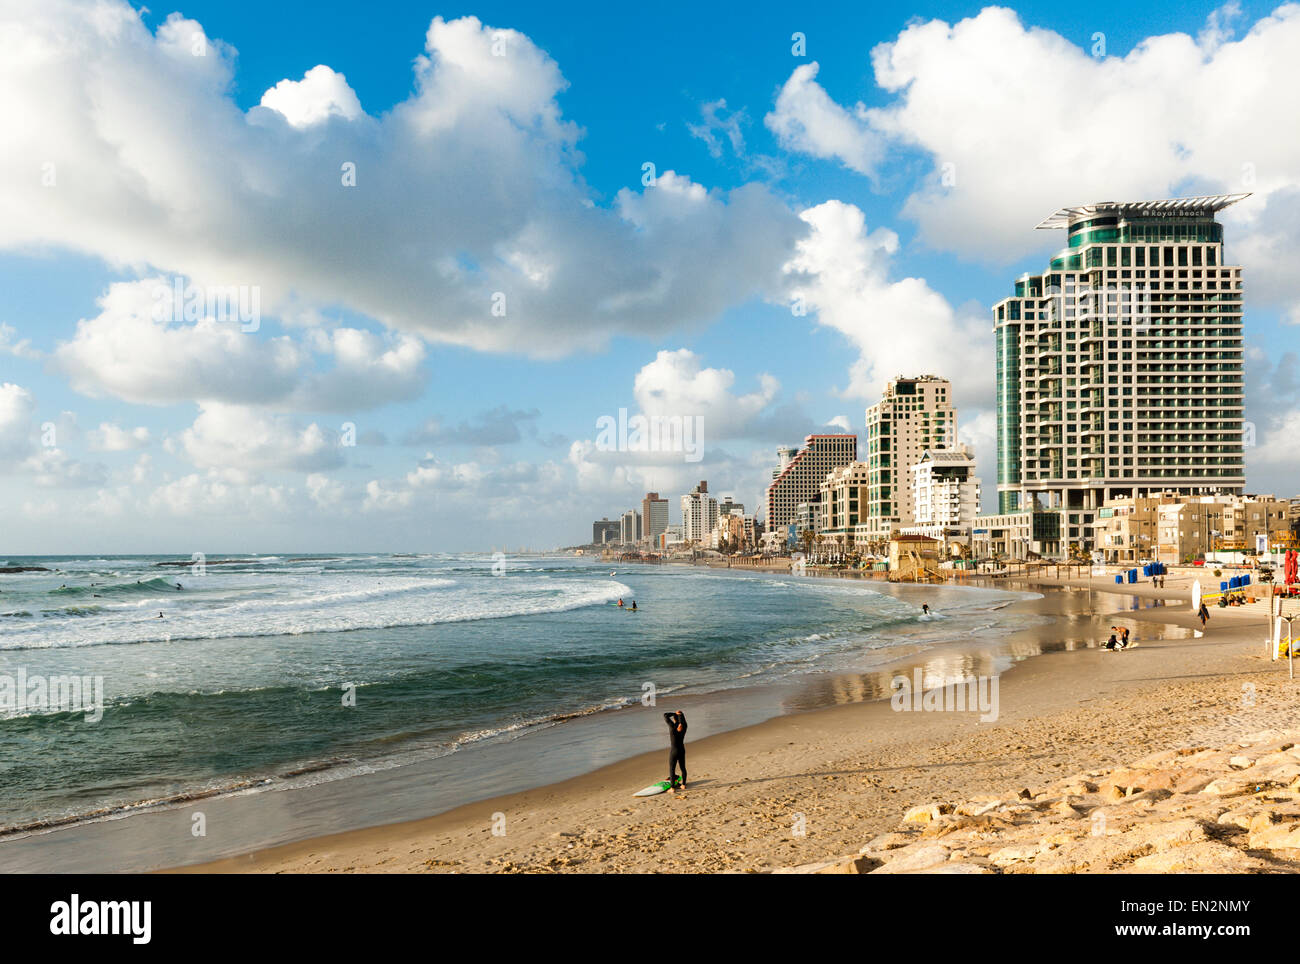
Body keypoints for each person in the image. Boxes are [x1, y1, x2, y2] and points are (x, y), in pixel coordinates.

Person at [664, 710, 687, 791]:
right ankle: (683, 785)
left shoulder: (672, 727)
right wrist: (680, 714)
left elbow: (665, 715)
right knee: (683, 768)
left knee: (672, 768)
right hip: (681, 750)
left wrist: (674, 713)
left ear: (674, 719)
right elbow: (683, 721)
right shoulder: (684, 727)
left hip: (674, 751)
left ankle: (672, 787)